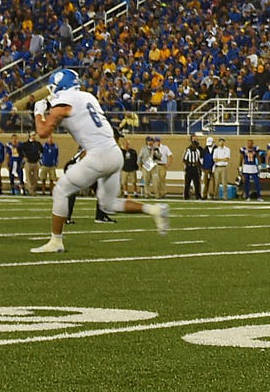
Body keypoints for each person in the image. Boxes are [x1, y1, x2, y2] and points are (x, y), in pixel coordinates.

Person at [28, 68, 167, 253]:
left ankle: (56, 241)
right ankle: (154, 210)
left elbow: (43, 132)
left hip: (99, 154)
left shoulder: (63, 103)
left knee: (60, 191)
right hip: (114, 153)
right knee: (108, 205)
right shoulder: (88, 97)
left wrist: (38, 112)